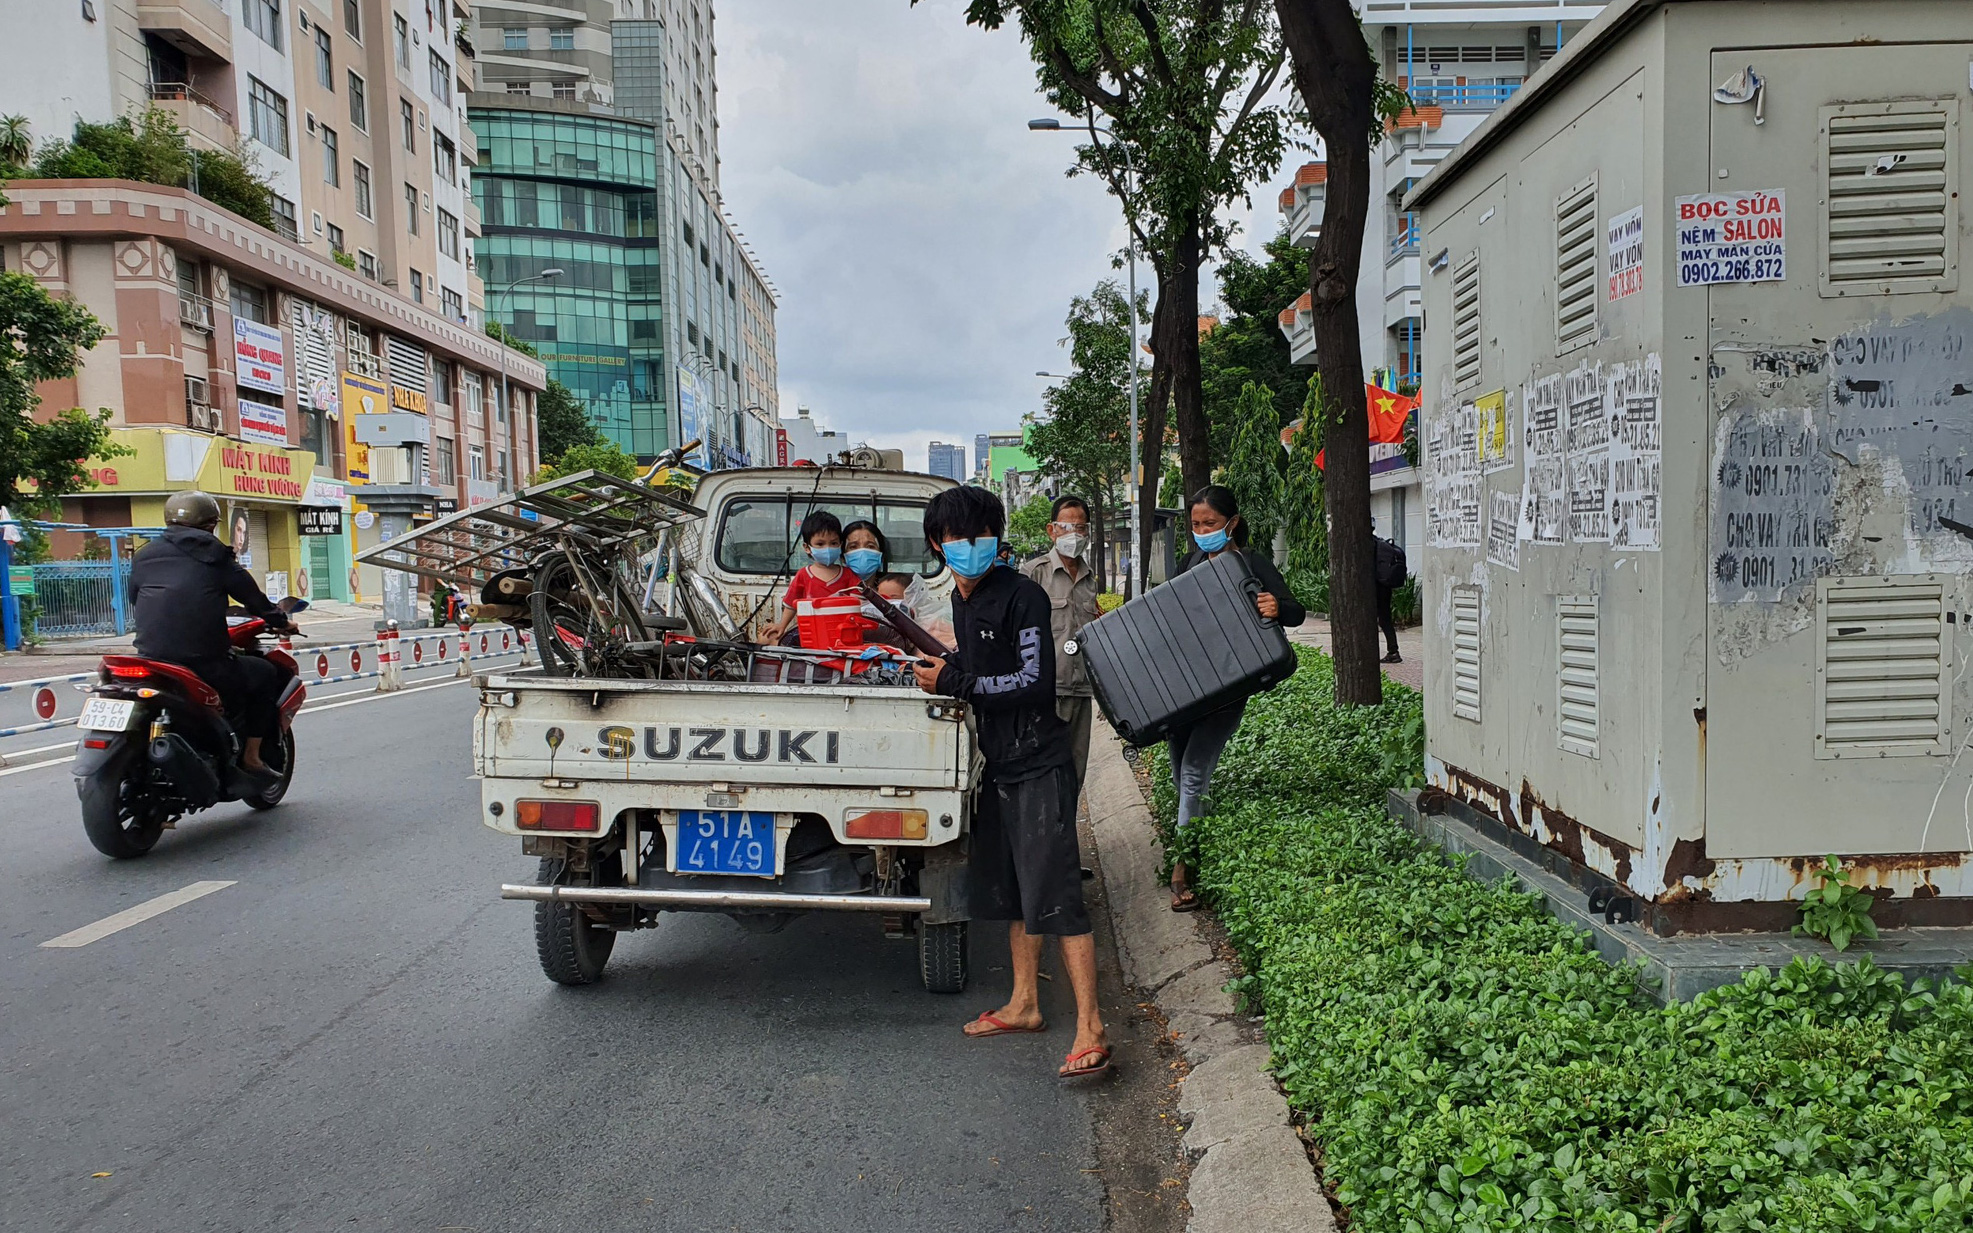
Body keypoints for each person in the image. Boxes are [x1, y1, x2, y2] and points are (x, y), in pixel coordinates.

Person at [911, 485, 1110, 1080]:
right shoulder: (962, 603)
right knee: (1017, 893)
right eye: (957, 538)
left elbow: (1031, 681)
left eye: (981, 536)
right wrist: (944, 667)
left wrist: (955, 684)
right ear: (937, 545)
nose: (970, 547)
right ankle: (1025, 1004)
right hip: (998, 763)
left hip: (1039, 765)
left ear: (997, 540)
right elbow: (977, 672)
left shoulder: (1022, 595)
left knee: (1057, 895)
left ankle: (1092, 1027)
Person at [1166, 485, 1306, 912]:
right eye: (1196, 525)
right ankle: (1196, 842)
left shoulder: (1252, 563)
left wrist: (1275, 607)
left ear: (1233, 523)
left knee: (1192, 773)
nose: (1202, 531)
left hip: (1226, 691)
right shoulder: (1190, 563)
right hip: (1183, 690)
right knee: (1182, 777)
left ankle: (1182, 866)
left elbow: (1296, 611)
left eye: (1210, 523)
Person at [128, 491, 297, 795]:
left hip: (151, 659)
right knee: (264, 675)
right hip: (201, 662)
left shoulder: (144, 555)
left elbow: (134, 597)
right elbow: (253, 599)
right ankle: (252, 757)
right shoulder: (215, 556)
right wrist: (282, 621)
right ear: (210, 524)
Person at [1019, 495, 1101, 788]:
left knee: (1074, 774)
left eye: (1080, 528)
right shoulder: (1033, 573)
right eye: (1066, 527)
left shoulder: (1090, 578)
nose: (1074, 535)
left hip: (1081, 690)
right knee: (1043, 773)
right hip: (1046, 692)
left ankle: (1066, 832)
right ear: (1051, 530)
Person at [760, 510, 858, 644]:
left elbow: (859, 603)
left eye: (833, 543)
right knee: (765, 639)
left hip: (842, 634)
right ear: (807, 547)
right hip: (809, 633)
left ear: (840, 544)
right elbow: (791, 605)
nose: (828, 548)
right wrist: (782, 625)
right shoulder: (803, 575)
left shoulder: (848, 574)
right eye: (820, 544)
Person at [1372, 520, 1407, 664]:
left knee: (1375, 619)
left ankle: (1391, 652)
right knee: (1385, 620)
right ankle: (1393, 651)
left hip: (1375, 587)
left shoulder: (1368, 545)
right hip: (1385, 587)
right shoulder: (1379, 543)